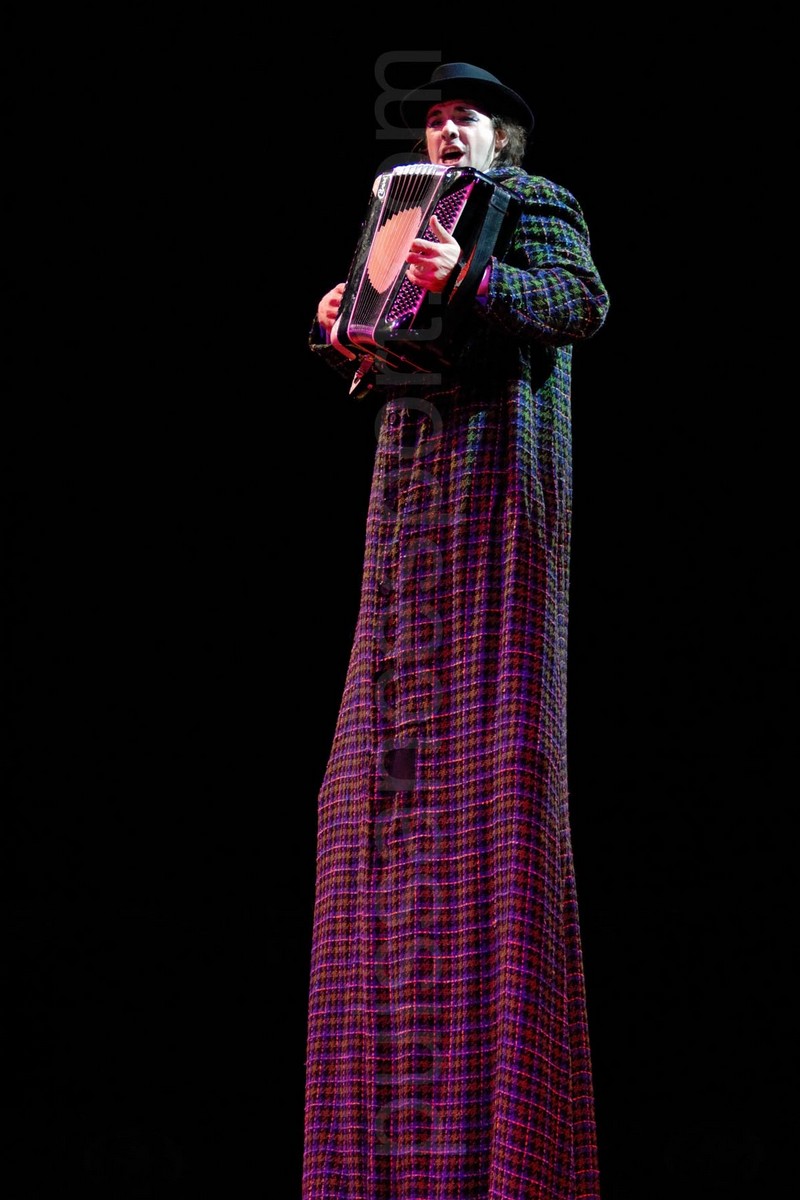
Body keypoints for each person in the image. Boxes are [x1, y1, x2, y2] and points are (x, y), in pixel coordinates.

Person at [303, 61, 610, 1200]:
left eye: (463, 119)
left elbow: (580, 305)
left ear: (501, 138)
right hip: (407, 527)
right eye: (431, 119)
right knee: (366, 798)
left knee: (493, 783)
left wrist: (472, 276)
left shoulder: (530, 202)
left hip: (491, 506)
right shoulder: (400, 209)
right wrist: (345, 329)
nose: (443, 133)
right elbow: (390, 346)